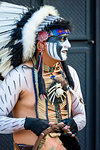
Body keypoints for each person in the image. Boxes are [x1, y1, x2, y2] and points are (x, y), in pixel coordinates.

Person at [0, 2, 86, 150]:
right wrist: (27, 123)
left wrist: (74, 123)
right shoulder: (19, 75)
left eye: (67, 39)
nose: (68, 45)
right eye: (61, 39)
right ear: (41, 45)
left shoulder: (70, 73)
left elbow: (81, 116)